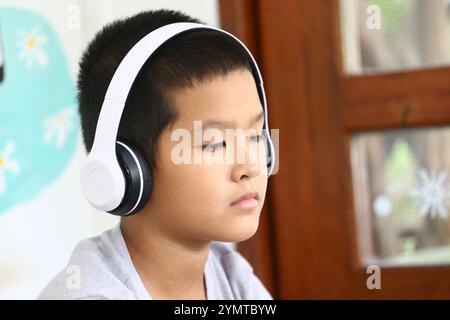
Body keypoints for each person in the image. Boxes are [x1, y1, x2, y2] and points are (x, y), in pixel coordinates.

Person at [38, 9, 273, 300]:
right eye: (215, 144)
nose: (249, 166)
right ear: (127, 168)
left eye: (254, 136)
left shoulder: (230, 275)